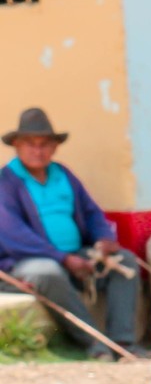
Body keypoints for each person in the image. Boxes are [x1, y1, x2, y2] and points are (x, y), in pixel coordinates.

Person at [0, 107, 142, 360]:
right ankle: (94, 343)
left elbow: (91, 212)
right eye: (30, 144)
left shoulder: (63, 174)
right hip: (28, 261)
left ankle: (123, 340)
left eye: (45, 144)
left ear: (54, 147)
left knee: (125, 261)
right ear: (17, 147)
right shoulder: (6, 182)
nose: (38, 150)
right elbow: (13, 235)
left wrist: (102, 240)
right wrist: (62, 258)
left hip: (75, 255)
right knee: (47, 272)